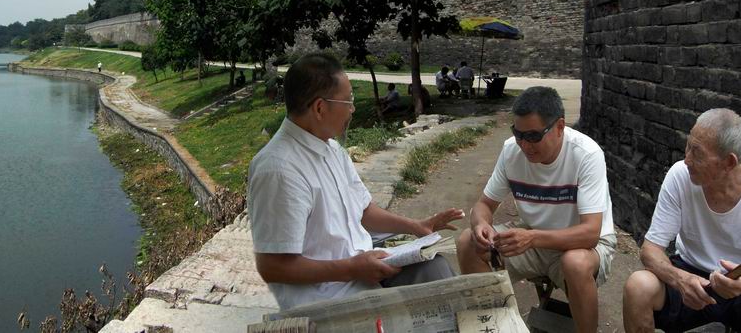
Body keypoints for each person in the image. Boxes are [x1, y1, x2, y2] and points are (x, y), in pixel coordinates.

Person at [248, 52, 464, 310]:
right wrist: (350, 269)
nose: (352, 109)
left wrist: (415, 226)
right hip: (329, 298)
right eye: (348, 100)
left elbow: (362, 211)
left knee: (436, 269)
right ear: (319, 108)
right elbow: (273, 267)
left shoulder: (331, 148)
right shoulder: (279, 170)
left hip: (361, 270)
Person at [456, 86, 616, 333]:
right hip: (533, 236)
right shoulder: (512, 151)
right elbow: (484, 205)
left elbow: (590, 232)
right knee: (468, 242)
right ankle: (496, 325)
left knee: (575, 263)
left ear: (560, 127)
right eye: (518, 134)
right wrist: (481, 225)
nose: (524, 145)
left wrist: (532, 238)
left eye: (533, 136)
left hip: (583, 246)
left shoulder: (586, 154)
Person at [622, 109, 741, 333]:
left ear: (729, 162)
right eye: (688, 146)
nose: (687, 160)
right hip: (690, 272)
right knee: (638, 287)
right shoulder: (680, 175)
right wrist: (680, 280)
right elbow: (650, 250)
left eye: (697, 153)